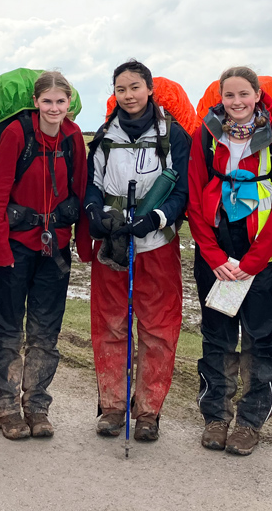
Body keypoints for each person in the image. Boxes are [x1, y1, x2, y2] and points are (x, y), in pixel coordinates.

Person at [186, 66, 272, 456]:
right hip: (216, 252)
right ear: (220, 98)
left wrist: (253, 261)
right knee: (216, 337)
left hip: (263, 257)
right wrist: (213, 256)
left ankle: (249, 423)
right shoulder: (205, 136)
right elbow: (194, 198)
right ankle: (216, 417)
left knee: (259, 339)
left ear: (257, 96)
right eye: (229, 95)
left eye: (244, 94)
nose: (237, 102)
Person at [84, 59, 190, 442]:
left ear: (149, 89)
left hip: (156, 244)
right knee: (110, 325)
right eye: (121, 89)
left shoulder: (173, 135)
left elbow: (182, 190)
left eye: (134, 87)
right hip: (112, 244)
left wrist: (157, 217)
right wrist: (94, 212)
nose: (128, 95)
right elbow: (93, 183)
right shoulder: (104, 135)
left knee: (158, 329)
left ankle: (148, 412)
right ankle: (112, 408)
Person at [0, 71, 91, 439]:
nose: (54, 108)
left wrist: (83, 244)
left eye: (61, 102)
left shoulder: (73, 137)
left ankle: (37, 406)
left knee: (46, 332)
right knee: (7, 330)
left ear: (69, 103)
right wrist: (0, 250)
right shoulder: (17, 134)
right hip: (14, 246)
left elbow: (80, 191)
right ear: (36, 102)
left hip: (54, 247)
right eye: (48, 101)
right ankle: (6, 407)